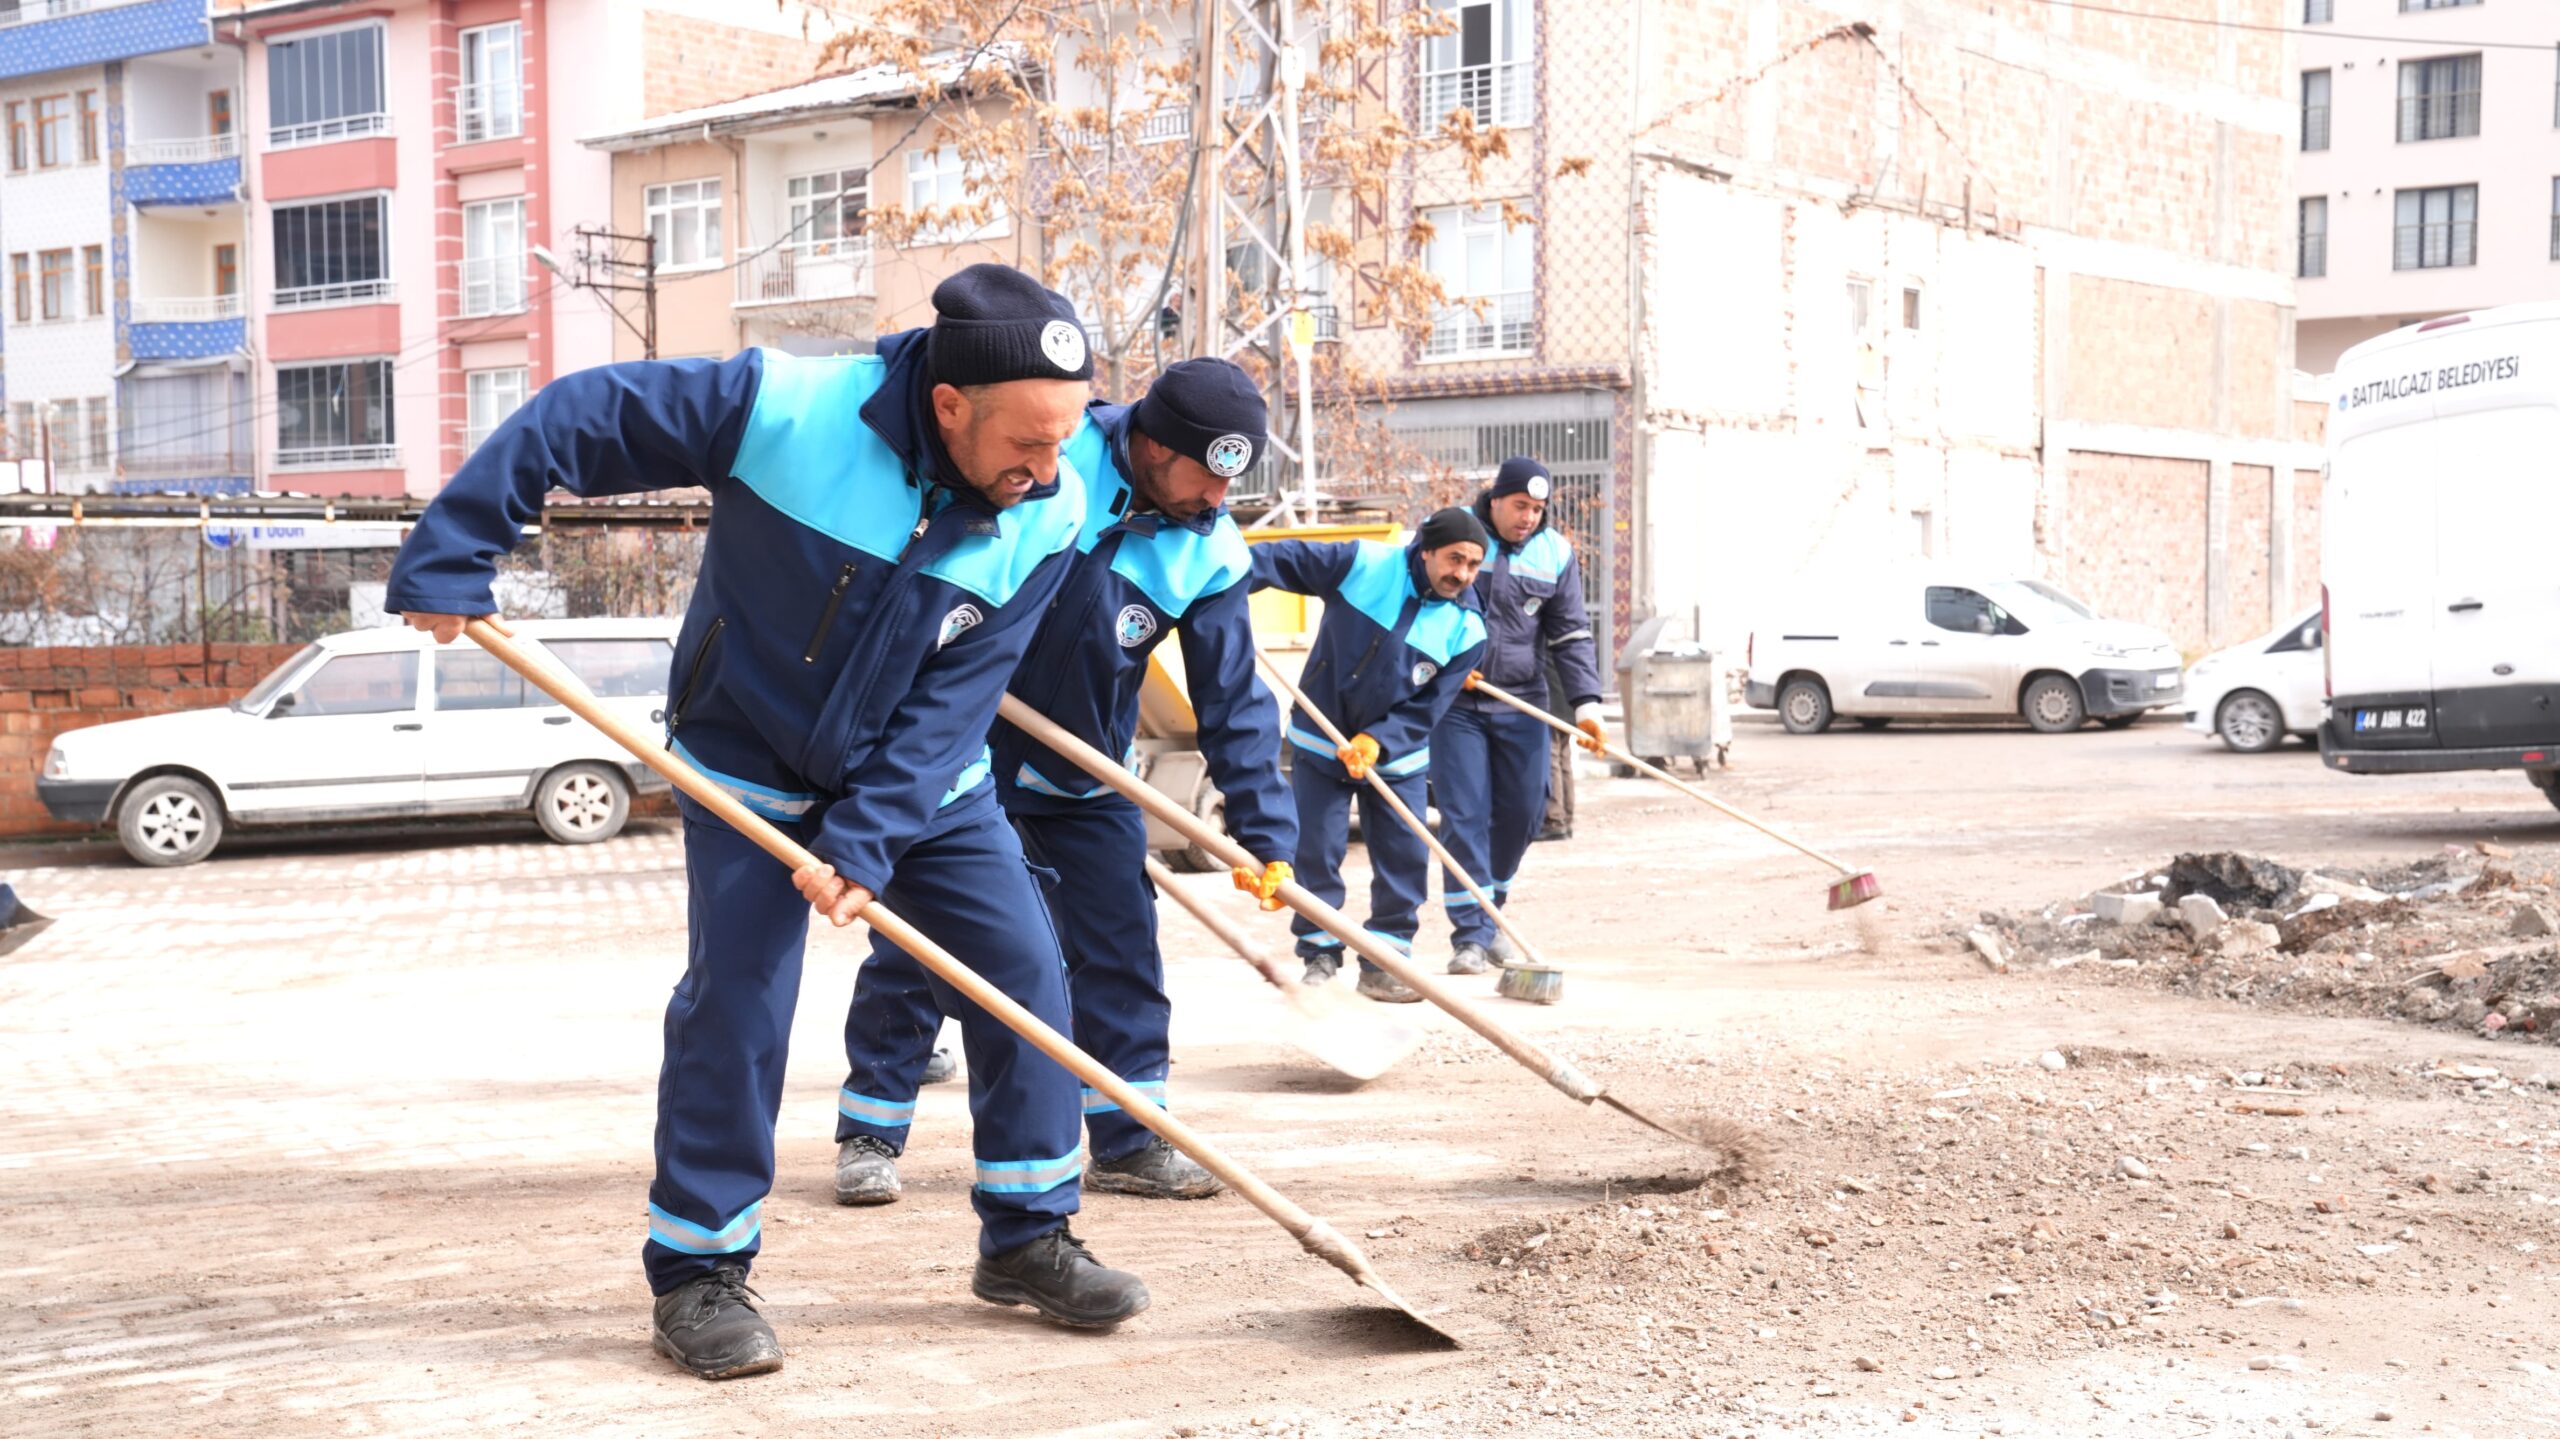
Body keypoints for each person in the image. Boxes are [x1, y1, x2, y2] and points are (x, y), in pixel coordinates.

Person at [383, 263, 1152, 1382]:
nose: (1046, 472)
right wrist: (458, 544)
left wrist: (869, 839)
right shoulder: (788, 408)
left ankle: (1029, 1232)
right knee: (738, 1004)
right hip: (748, 758)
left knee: (1025, 975)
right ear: (949, 404)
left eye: (1065, 440)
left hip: (923, 783)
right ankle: (699, 1269)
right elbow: (579, 416)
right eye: (1026, 444)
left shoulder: (1056, 504)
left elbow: (959, 699)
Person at [832, 358, 1296, 1206]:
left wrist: (1263, 835)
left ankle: (1127, 1136)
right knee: (918, 945)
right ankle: (871, 1126)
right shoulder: (1048, 453)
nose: (1219, 499)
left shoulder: (1210, 550)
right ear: (1153, 447)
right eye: (1208, 474)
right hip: (959, 758)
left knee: (1121, 952)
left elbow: (1234, 698)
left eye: (1235, 479)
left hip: (1086, 775)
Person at [1249, 510, 1488, 1003]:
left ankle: (1385, 961)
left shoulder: (1468, 630)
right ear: (1425, 550)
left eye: (1472, 565)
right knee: (1316, 851)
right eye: (1454, 559)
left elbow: (1430, 706)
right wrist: (1226, 579)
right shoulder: (1364, 563)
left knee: (1403, 859)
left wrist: (1381, 738)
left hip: (1396, 762)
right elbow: (1286, 560)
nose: (1461, 575)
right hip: (1320, 740)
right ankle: (1319, 954)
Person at [1433, 457, 1608, 971]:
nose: (1529, 517)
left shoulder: (1556, 553)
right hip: (1457, 703)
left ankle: (1491, 918)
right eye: (1519, 506)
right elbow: (1423, 604)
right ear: (1494, 500)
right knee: (1465, 813)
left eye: (1537, 508)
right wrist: (1444, 660)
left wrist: (1587, 707)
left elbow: (1571, 633)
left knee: (1525, 812)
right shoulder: (1458, 535)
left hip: (1523, 699)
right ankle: (1470, 936)